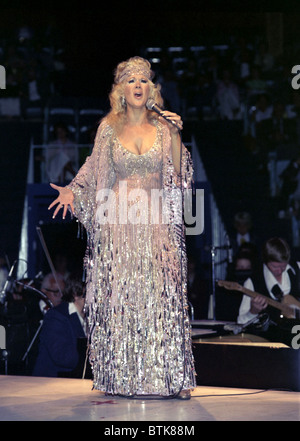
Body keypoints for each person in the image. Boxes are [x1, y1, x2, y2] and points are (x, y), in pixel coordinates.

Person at [48, 56, 196, 399]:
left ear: (152, 88)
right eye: (131, 81)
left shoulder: (163, 127)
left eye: (144, 80)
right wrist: (74, 189)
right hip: (119, 228)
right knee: (126, 300)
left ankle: (172, 377)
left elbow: (179, 177)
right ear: (121, 90)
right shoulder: (108, 128)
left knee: (162, 298)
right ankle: (125, 378)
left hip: (155, 224)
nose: (139, 86)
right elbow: (92, 168)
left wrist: (175, 136)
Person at [237, 237, 300, 345]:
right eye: (275, 267)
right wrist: (253, 311)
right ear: (265, 261)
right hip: (273, 346)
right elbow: (241, 323)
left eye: (283, 266)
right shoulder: (253, 282)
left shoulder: (298, 268)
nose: (279, 271)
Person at [33, 274, 88, 377]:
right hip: (51, 383)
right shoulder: (56, 316)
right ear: (76, 294)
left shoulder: (91, 318)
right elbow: (62, 358)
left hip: (75, 380)